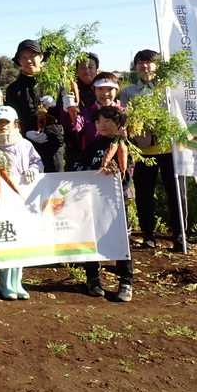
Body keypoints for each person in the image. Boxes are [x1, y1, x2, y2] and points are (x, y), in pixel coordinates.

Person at [120, 49, 186, 251]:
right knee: (144, 195)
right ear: (135, 67)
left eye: (148, 62)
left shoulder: (170, 88)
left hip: (171, 149)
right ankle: (149, 235)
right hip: (144, 151)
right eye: (140, 62)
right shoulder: (129, 92)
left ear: (158, 66)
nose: (144, 66)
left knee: (176, 193)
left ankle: (179, 234)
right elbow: (124, 120)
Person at [73, 106, 134, 302]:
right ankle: (93, 279)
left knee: (122, 241)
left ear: (118, 124)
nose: (102, 125)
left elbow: (127, 177)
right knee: (92, 238)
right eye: (98, 122)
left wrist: (115, 169)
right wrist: (97, 168)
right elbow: (78, 167)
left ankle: (126, 282)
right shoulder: (92, 145)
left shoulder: (125, 145)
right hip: (94, 201)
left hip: (117, 202)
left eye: (106, 121)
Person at [0, 106, 43, 300]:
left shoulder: (25, 145)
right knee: (5, 238)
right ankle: (5, 282)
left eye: (6, 122)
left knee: (20, 239)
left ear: (15, 124)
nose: (3, 126)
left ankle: (17, 281)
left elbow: (37, 161)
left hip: (21, 199)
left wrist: (34, 169)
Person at [5, 39, 65, 173]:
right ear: (19, 61)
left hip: (53, 142)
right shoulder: (14, 89)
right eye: (24, 58)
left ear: (41, 57)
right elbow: (12, 118)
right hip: (27, 145)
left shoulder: (55, 82)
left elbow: (67, 115)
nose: (28, 61)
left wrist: (56, 106)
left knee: (56, 187)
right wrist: (25, 132)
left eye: (32, 56)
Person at [63, 72, 124, 150]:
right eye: (100, 89)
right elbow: (74, 127)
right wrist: (68, 111)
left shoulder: (123, 114)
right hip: (91, 158)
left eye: (110, 89)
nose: (105, 93)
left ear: (117, 91)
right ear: (93, 89)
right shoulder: (87, 113)